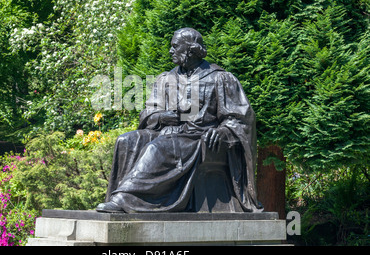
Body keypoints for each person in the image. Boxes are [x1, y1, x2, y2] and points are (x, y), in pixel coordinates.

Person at [96, 28, 263, 213]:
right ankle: (116, 197)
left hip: (198, 137)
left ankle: (124, 200)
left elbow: (240, 118)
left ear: (191, 49)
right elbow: (147, 113)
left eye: (175, 46)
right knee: (126, 141)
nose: (170, 51)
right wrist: (161, 116)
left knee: (157, 148)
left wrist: (222, 132)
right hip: (165, 132)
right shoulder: (166, 79)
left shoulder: (220, 78)